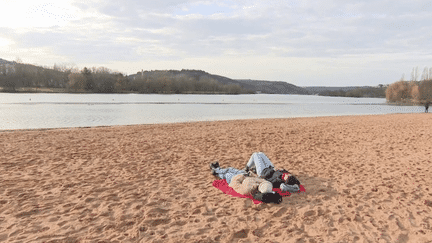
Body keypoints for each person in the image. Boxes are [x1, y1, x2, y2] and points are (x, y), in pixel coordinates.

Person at [210, 161, 282, 203]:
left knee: (227, 174)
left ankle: (216, 170)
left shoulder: (248, 190)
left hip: (234, 179)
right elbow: (257, 178)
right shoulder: (264, 184)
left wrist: (241, 177)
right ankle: (217, 169)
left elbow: (236, 185)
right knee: (230, 169)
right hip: (243, 174)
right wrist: (249, 174)